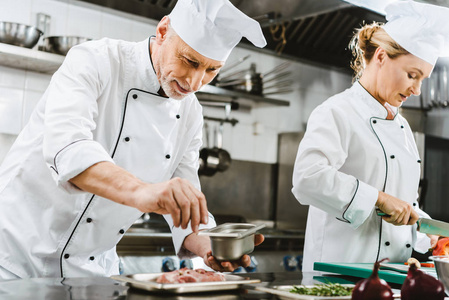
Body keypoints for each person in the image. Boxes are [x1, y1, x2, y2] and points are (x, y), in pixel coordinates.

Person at [0, 0, 266, 279]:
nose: (196, 82)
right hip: (14, 257)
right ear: (163, 30)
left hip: (90, 272)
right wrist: (143, 192)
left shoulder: (190, 113)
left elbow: (185, 204)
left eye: (212, 70)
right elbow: (68, 148)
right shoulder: (95, 60)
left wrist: (211, 246)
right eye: (190, 61)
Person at [292, 0, 449, 272]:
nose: (417, 91)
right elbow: (308, 178)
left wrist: (427, 232)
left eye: (422, 79)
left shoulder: (403, 129)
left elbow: (404, 203)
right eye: (412, 75)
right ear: (380, 57)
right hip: (339, 277)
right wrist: (377, 198)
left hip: (395, 277)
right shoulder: (337, 112)